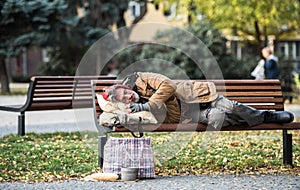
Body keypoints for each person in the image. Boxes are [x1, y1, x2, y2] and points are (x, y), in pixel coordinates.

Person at [102, 72, 294, 130]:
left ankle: (267, 115)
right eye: (124, 100)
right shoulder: (137, 111)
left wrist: (147, 104)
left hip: (199, 96)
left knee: (231, 106)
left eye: (126, 93)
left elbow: (168, 85)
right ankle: (252, 120)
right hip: (190, 115)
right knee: (219, 117)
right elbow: (167, 119)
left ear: (127, 88)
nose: (128, 97)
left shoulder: (142, 78)